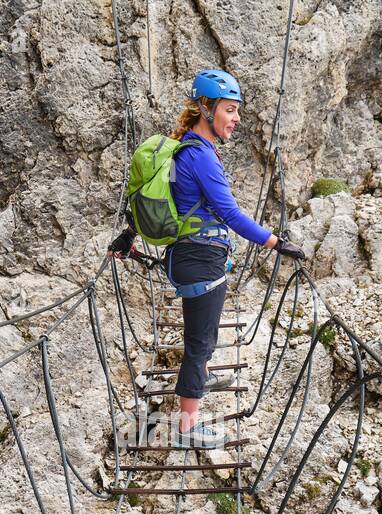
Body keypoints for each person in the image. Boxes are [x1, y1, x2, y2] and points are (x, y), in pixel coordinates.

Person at [110, 69, 305, 449]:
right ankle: (187, 429)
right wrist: (276, 243)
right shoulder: (201, 156)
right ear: (206, 108)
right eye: (230, 110)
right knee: (200, 342)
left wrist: (129, 233)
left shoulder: (184, 147)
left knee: (202, 339)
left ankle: (194, 380)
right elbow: (229, 213)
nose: (235, 119)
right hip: (201, 258)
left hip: (190, 256)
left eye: (237, 111)